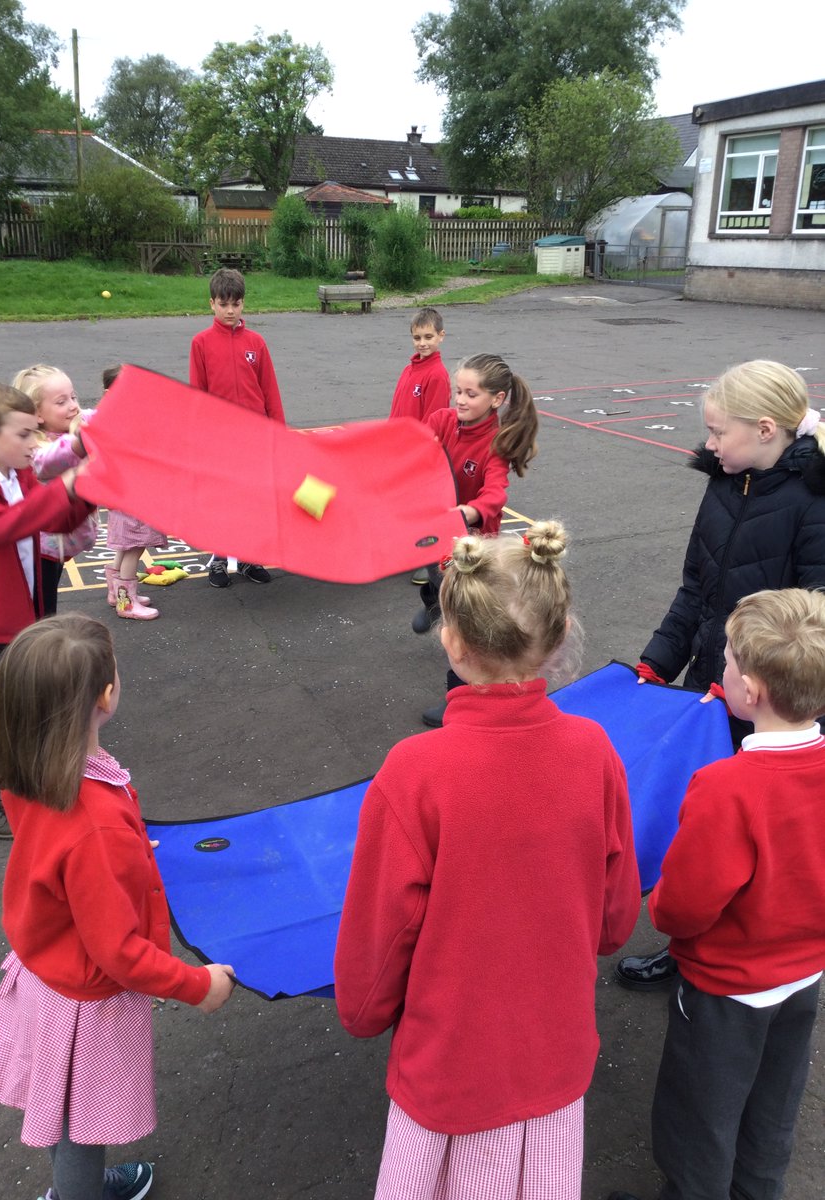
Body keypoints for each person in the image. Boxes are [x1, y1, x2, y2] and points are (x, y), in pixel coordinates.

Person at [336, 522, 641, 1200]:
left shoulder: (414, 771)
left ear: (452, 641)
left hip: (451, 1068)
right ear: (558, 639)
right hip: (555, 1053)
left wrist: (364, 1009)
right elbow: (615, 918)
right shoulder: (594, 752)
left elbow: (380, 933)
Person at [0, 614, 236, 1200]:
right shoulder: (94, 821)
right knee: (80, 1126)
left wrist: (125, 852)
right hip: (86, 1007)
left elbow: (65, 865)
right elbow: (118, 951)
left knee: (67, 1114)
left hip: (47, 971)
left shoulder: (32, 769)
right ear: (106, 695)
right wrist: (199, 984)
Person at [608, 588, 825, 1200]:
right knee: (771, 1115)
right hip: (803, 977)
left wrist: (662, 905)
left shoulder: (728, 787)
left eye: (727, 659)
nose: (719, 667)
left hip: (727, 987)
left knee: (697, 1124)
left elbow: (683, 906)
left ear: (749, 692)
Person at [616, 359, 825, 991]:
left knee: (759, 838)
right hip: (715, 682)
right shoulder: (724, 481)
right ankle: (691, 947)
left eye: (717, 432)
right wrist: (657, 662)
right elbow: (696, 588)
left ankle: (748, 963)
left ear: (766, 430)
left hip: (770, 699)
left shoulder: (812, 504)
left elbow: (813, 627)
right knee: (707, 830)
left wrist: (754, 688)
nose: (707, 445)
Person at [0, 382, 93, 839]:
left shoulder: (17, 471)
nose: (35, 444)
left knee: (20, 702)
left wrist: (87, 490)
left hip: (19, 607)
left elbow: (45, 518)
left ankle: (17, 784)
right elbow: (3, 526)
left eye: (35, 433)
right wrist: (66, 483)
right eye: (24, 435)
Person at [412, 352, 539, 726]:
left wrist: (468, 511)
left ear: (496, 399)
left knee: (465, 626)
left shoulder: (497, 443)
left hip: (473, 545)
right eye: (458, 392)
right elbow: (415, 449)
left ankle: (457, 700)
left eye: (471, 394)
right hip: (437, 530)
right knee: (435, 581)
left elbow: (495, 493)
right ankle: (433, 603)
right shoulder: (442, 420)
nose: (461, 401)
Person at [189, 267, 284, 588]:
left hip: (255, 437)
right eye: (224, 304)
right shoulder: (200, 343)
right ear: (211, 304)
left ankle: (247, 558)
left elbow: (269, 390)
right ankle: (218, 560)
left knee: (253, 500)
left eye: (237, 304)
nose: (231, 310)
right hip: (220, 441)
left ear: (243, 304)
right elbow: (197, 394)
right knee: (224, 501)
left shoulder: (256, 342)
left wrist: (278, 433)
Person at [12, 365, 100, 617]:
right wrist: (79, 443)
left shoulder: (73, 423)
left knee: (45, 598)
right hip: (42, 547)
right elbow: (49, 460)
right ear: (37, 414)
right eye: (61, 402)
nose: (73, 405)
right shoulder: (36, 446)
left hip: (61, 543)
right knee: (41, 605)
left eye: (73, 397)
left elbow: (97, 416)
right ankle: (36, 646)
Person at [389, 306, 452, 585]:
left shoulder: (437, 375)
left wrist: (416, 452)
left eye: (428, 336)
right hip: (400, 450)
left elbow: (435, 420)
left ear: (441, 336)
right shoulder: (409, 370)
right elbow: (397, 410)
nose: (423, 343)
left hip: (420, 454)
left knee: (422, 508)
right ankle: (410, 551)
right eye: (417, 337)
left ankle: (428, 560)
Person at [99, 364, 165, 621]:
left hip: (123, 491)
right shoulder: (121, 418)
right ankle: (126, 602)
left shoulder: (116, 415)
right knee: (134, 546)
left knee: (124, 545)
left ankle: (117, 592)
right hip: (132, 493)